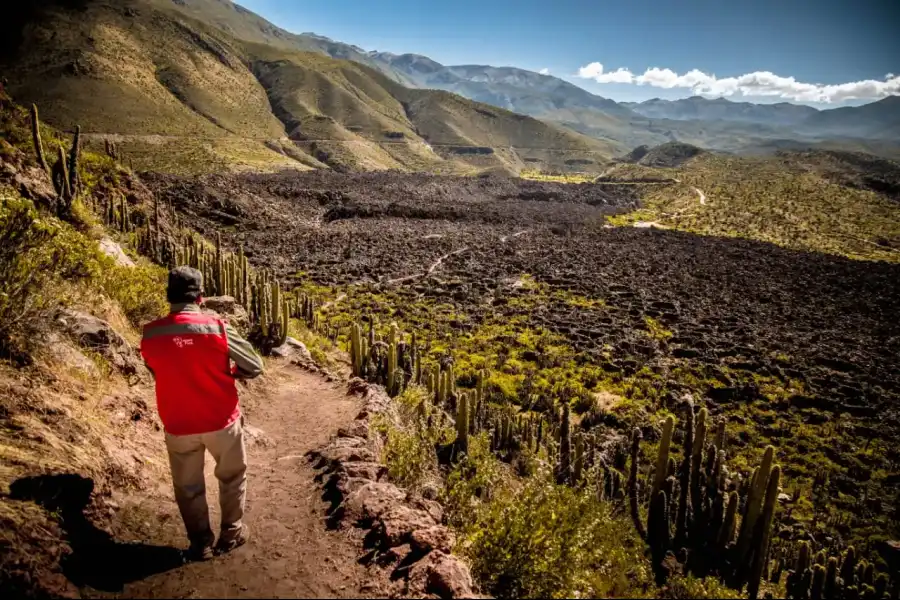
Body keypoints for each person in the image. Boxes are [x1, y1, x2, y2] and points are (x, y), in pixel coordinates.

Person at [140, 266, 263, 561]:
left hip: (178, 421)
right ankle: (231, 534)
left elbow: (155, 368)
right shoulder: (217, 326)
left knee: (187, 485)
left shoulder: (152, 332)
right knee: (232, 476)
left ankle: (200, 544)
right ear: (201, 297)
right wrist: (233, 372)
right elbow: (255, 366)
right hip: (221, 419)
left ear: (169, 296)